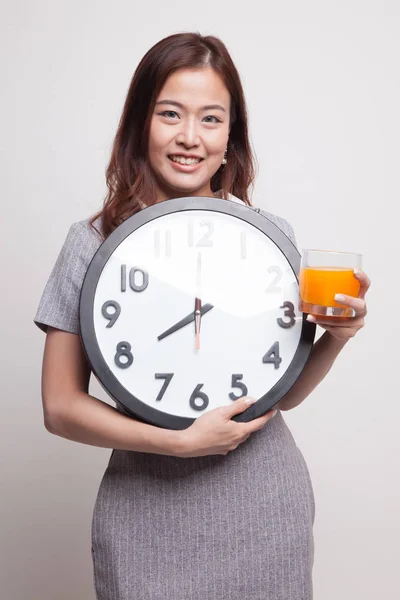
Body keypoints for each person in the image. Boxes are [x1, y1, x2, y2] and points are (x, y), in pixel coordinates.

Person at [34, 32, 370, 600]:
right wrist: (179, 444)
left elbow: (280, 393)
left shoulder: (270, 238)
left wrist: (337, 336)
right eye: (171, 114)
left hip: (264, 507)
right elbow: (60, 408)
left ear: (231, 134)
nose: (190, 137)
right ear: (141, 121)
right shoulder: (92, 243)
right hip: (146, 510)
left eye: (211, 119)